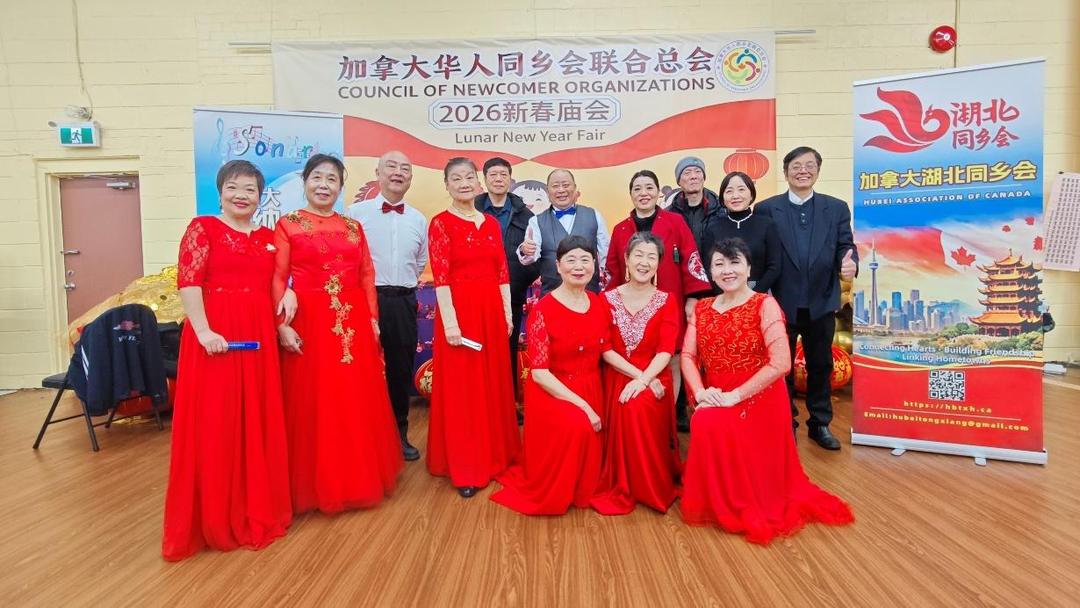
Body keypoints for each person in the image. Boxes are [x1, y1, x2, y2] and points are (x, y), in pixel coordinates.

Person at [680, 237, 854, 544]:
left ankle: (742, 499)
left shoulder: (765, 304)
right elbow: (687, 356)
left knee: (710, 422)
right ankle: (720, 499)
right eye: (719, 264)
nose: (727, 270)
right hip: (716, 391)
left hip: (758, 395)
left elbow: (781, 363)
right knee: (704, 418)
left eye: (734, 262)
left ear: (749, 268)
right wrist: (701, 392)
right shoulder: (703, 308)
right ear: (710, 271)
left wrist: (734, 396)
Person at [163, 160, 291, 561]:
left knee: (255, 418)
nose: (242, 195)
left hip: (258, 337)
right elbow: (188, 282)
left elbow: (278, 281)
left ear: (260, 196)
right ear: (220, 192)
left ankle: (255, 507)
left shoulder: (268, 237)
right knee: (217, 421)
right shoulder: (202, 229)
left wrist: (287, 301)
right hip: (215, 338)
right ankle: (216, 516)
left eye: (251, 189)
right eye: (234, 187)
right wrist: (203, 331)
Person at [272, 153, 402, 514]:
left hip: (354, 320)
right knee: (316, 400)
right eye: (317, 178)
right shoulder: (288, 225)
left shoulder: (352, 226)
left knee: (353, 398)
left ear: (341, 187)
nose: (324, 185)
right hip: (309, 321)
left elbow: (366, 274)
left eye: (332, 179)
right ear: (305, 182)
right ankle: (317, 484)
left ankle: (356, 478)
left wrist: (372, 318)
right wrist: (281, 324)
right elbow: (278, 276)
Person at [492, 236, 645, 516]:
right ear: (558, 266)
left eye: (585, 260)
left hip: (591, 385)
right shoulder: (543, 309)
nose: (579, 266)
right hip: (554, 391)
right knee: (578, 425)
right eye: (571, 260)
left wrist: (643, 377)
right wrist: (585, 407)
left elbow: (606, 351)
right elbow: (540, 374)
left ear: (594, 265)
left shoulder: (597, 303)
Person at [427, 157, 521, 498]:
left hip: (491, 313)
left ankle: (498, 454)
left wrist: (507, 315)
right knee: (464, 389)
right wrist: (451, 324)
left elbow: (502, 272)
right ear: (447, 185)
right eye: (456, 178)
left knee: (493, 381)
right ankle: (466, 465)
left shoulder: (490, 223)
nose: (464, 183)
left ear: (478, 182)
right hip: (460, 314)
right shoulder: (440, 223)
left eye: (469, 177)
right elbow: (440, 277)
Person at [756, 147, 858, 450]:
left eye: (810, 165)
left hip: (821, 300)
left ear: (818, 171)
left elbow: (846, 245)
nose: (803, 171)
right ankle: (785, 421)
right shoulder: (766, 209)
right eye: (796, 166)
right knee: (781, 367)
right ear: (786, 171)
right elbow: (761, 253)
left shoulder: (836, 208)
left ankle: (820, 423)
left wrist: (850, 262)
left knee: (821, 365)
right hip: (780, 302)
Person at [606, 170, 711, 433]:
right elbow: (613, 269)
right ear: (631, 194)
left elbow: (690, 258)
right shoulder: (620, 229)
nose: (644, 193)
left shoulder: (675, 222)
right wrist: (610, 307)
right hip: (629, 307)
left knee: (672, 355)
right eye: (637, 189)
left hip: (670, 302)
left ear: (658, 192)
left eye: (649, 188)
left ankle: (669, 415)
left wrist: (692, 298)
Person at [590, 232, 682, 515]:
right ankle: (625, 482)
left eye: (651, 257)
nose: (644, 262)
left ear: (659, 264)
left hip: (655, 373)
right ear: (626, 260)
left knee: (637, 405)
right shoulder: (606, 299)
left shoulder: (667, 300)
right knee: (628, 404)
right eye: (638, 255)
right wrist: (638, 377)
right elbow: (605, 349)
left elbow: (666, 351)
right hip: (617, 371)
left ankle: (649, 485)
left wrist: (645, 380)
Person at [347, 150, 428, 461]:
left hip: (403, 300)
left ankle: (399, 434)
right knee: (363, 369)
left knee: (399, 369)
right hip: (365, 300)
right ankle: (362, 437)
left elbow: (419, 262)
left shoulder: (418, 218)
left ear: (411, 178)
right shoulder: (355, 214)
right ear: (377, 173)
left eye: (405, 168)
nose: (398, 173)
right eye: (391, 167)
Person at [474, 157, 540, 410]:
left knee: (507, 348)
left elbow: (535, 257)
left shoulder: (526, 215)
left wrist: (515, 281)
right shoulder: (471, 209)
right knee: (477, 348)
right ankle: (480, 404)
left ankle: (508, 405)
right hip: (476, 293)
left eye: (503, 174)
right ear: (485, 180)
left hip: (511, 293)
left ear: (510, 180)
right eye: (493, 174)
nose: (498, 179)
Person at [517, 169, 610, 295]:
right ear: (548, 192)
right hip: (552, 295)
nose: (561, 190)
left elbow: (606, 255)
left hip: (589, 294)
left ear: (575, 188)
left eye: (566, 185)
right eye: (555, 186)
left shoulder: (594, 215)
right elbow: (530, 257)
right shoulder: (536, 221)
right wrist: (526, 250)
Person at [701, 171, 782, 294]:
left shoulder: (766, 224)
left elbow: (774, 266)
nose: (735, 196)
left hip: (759, 292)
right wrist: (725, 294)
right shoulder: (713, 227)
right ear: (722, 197)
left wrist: (753, 296)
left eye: (741, 189)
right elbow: (708, 267)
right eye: (729, 191)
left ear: (751, 194)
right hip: (722, 292)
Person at [666, 156, 721, 255]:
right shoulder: (669, 215)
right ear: (678, 181)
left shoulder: (721, 210)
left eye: (698, 171)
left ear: (703, 178)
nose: (693, 176)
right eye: (687, 173)